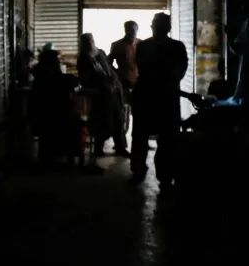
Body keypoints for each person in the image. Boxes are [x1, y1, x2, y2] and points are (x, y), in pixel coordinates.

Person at [131, 13, 189, 185]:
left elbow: (142, 68)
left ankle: (140, 172)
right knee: (166, 139)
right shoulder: (176, 47)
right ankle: (164, 175)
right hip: (166, 98)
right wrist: (169, 82)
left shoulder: (143, 46)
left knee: (142, 137)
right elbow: (181, 70)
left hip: (147, 97)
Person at [78, 33, 128, 157]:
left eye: (91, 40)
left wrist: (116, 83)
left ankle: (120, 147)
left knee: (118, 120)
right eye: (86, 41)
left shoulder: (100, 53)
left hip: (113, 91)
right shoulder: (83, 58)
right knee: (101, 122)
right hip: (100, 95)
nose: (89, 43)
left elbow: (109, 69)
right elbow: (84, 79)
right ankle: (98, 148)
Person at [30, 49, 81, 166]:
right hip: (57, 117)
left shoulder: (39, 75)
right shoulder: (53, 77)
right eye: (57, 60)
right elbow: (71, 81)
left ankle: (46, 158)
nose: (59, 62)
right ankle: (70, 158)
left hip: (42, 117)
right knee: (74, 122)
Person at [108, 21, 140, 131]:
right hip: (123, 83)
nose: (131, 32)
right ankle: (121, 142)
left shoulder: (142, 44)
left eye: (133, 30)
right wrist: (116, 73)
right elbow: (109, 62)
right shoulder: (117, 45)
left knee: (139, 113)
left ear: (137, 30)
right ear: (125, 30)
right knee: (121, 112)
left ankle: (139, 138)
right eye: (129, 29)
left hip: (139, 83)